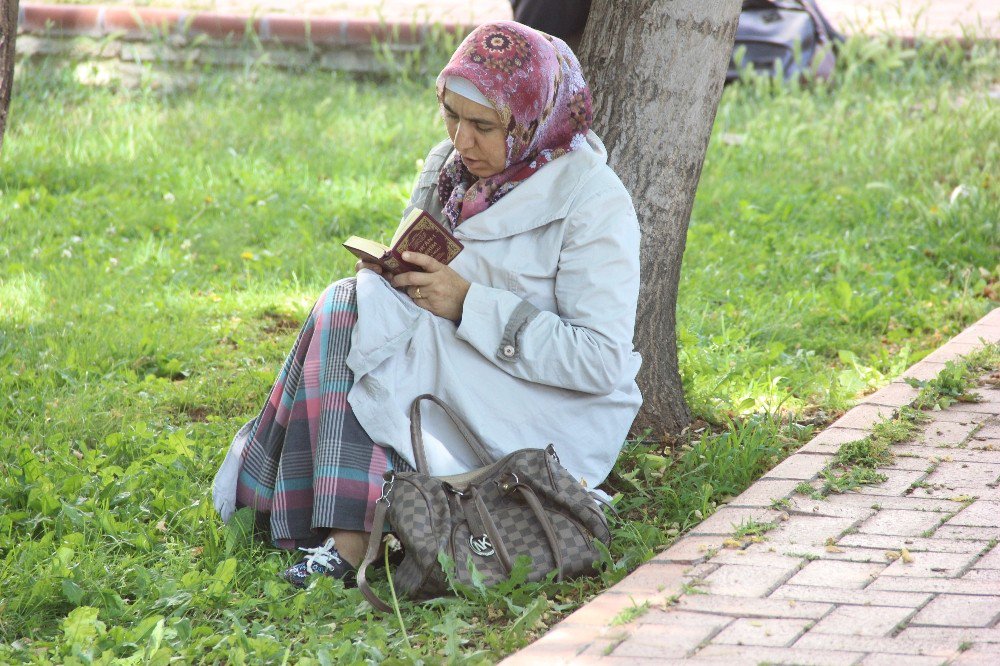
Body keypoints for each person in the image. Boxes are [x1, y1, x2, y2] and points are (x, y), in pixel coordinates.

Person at [212, 20, 642, 588]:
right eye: (452, 114)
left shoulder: (593, 200)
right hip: (446, 361)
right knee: (351, 305)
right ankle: (350, 530)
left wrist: (469, 304)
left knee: (350, 312)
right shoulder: (448, 170)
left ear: (537, 120)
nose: (463, 141)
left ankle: (317, 521)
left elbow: (601, 360)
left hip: (540, 404)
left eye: (484, 125)